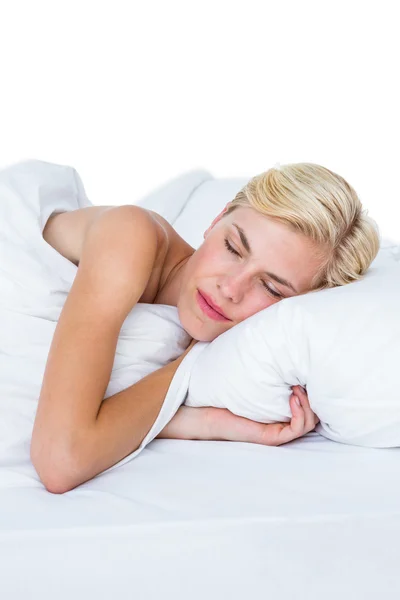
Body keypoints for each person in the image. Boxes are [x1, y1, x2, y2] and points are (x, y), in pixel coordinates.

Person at [30, 163, 380, 493]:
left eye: (271, 288)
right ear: (217, 219)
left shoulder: (230, 349)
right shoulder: (129, 237)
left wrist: (204, 423)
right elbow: (61, 460)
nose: (230, 288)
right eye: (232, 247)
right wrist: (192, 366)